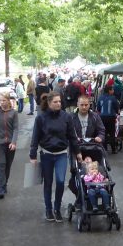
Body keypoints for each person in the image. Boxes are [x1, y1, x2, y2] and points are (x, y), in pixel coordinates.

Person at [30, 92, 79, 222]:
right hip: (46, 154)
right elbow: (35, 137)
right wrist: (32, 155)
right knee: (48, 183)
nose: (59, 104)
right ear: (49, 103)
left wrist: (78, 152)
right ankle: (48, 209)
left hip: (61, 154)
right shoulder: (41, 118)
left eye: (60, 102)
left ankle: (57, 208)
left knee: (61, 181)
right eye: (56, 102)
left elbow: (72, 136)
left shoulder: (66, 117)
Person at [0, 92, 19, 200]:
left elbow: (16, 128)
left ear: (8, 101)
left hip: (10, 144)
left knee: (7, 166)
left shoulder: (14, 113)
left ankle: (4, 183)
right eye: (1, 100)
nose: (2, 103)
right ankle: (1, 189)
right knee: (1, 165)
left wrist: (13, 142)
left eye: (4, 100)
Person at [95, 85, 120, 153]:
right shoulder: (113, 98)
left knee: (104, 133)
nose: (113, 91)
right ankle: (113, 149)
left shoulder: (100, 98)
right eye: (112, 89)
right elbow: (117, 108)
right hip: (111, 117)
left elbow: (98, 108)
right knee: (112, 133)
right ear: (109, 91)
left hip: (102, 117)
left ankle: (104, 148)